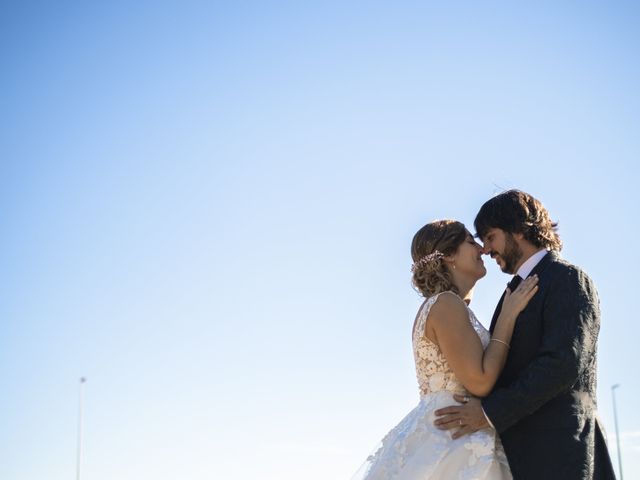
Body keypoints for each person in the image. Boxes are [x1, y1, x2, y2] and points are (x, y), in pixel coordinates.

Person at [434, 190, 616, 479]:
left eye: (490, 237)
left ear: (518, 230)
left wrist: (488, 413)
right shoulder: (510, 294)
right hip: (515, 457)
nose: (486, 249)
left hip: (558, 454)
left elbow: (562, 363)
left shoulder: (568, 279)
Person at [352, 219, 538, 479]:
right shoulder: (447, 304)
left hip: (455, 429)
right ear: (449, 255)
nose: (482, 249)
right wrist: (507, 317)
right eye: (471, 242)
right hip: (453, 438)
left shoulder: (447, 306)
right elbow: (480, 382)